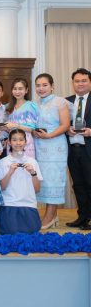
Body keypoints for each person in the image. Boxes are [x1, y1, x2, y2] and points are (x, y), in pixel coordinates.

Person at [33, 73, 70, 229]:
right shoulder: (35, 104)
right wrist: (34, 132)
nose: (41, 88)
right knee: (44, 180)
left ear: (52, 86)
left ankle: (48, 217)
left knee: (53, 180)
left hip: (56, 146)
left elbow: (65, 125)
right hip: (39, 147)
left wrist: (49, 135)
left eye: (45, 85)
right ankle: (53, 216)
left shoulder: (60, 102)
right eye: (38, 85)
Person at [0, 129, 42, 235]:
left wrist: (33, 173)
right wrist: (10, 172)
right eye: (14, 140)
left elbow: (37, 189)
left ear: (26, 142)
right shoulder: (3, 162)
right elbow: (2, 187)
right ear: (9, 142)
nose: (18, 143)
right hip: (9, 204)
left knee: (32, 232)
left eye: (21, 140)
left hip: (28, 204)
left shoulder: (32, 162)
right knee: (9, 233)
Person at [66, 68, 91, 230]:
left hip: (89, 149)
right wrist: (66, 129)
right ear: (73, 83)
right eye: (77, 81)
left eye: (84, 81)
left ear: (90, 82)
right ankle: (82, 217)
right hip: (72, 150)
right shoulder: (66, 101)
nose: (80, 84)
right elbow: (60, 123)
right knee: (78, 185)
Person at [2, 78, 39, 158]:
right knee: (12, 164)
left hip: (26, 142)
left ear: (26, 90)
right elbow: (7, 126)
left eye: (20, 89)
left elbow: (32, 129)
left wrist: (15, 125)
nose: (17, 91)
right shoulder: (8, 106)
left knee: (27, 164)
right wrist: (4, 127)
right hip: (12, 142)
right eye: (15, 89)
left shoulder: (31, 106)